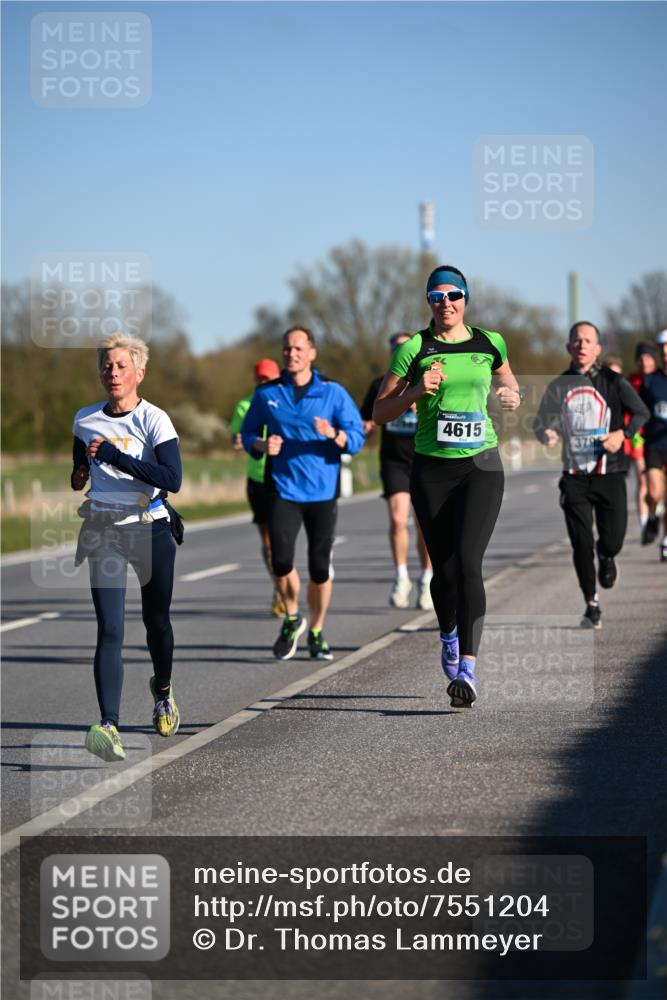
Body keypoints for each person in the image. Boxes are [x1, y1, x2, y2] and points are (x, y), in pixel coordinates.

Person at [373, 266, 521, 707]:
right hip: (432, 470)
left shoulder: (489, 342)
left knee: (470, 563)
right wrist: (416, 391)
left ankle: (469, 669)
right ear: (428, 303)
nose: (446, 303)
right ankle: (449, 632)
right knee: (446, 568)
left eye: (454, 294)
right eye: (437, 297)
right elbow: (381, 412)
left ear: (466, 298)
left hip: (481, 465)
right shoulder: (414, 348)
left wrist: (513, 394)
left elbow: (507, 380)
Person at [71, 334, 183, 762]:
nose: (112, 373)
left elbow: (172, 479)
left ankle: (163, 691)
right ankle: (109, 725)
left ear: (139, 372)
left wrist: (117, 458)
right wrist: (80, 474)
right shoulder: (85, 419)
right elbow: (79, 467)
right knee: (110, 629)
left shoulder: (156, 420)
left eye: (120, 366)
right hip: (103, 531)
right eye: (106, 365)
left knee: (156, 622)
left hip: (149, 529)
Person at [241, 327, 365, 661]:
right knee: (280, 561)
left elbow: (357, 436)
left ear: (312, 353)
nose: (291, 354)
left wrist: (334, 434)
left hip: (323, 492)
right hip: (284, 489)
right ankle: (293, 616)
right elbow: (247, 431)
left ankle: (317, 631)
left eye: (298, 348)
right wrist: (262, 444)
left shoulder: (333, 393)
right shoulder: (268, 394)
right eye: (286, 349)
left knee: (319, 568)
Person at [533, 322, 649, 629]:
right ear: (569, 347)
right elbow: (540, 422)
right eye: (577, 340)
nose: (582, 345)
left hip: (610, 472)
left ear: (597, 348)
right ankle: (591, 603)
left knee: (612, 539)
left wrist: (622, 435)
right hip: (574, 476)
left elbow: (641, 413)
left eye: (588, 341)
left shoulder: (614, 381)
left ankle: (607, 555)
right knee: (580, 542)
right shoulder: (559, 385)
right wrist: (546, 433)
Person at [360, 332, 433, 610]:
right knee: (398, 518)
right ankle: (401, 576)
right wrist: (364, 427)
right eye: (396, 348)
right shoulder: (381, 384)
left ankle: (426, 579)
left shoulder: (427, 380)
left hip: (425, 458)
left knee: (425, 525)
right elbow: (368, 418)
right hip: (394, 461)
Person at [229, 358, 284, 616]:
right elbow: (236, 436)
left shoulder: (284, 400)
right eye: (260, 379)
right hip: (256, 478)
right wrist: (239, 441)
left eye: (269, 378)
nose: (264, 383)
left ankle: (286, 583)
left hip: (282, 478)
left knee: (282, 538)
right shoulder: (244, 405)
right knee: (268, 542)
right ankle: (278, 588)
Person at [626, 342, 659, 543]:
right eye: (640, 358)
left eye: (647, 357)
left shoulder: (659, 379)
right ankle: (645, 523)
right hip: (639, 436)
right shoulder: (631, 381)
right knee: (643, 480)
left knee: (658, 486)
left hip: (659, 438)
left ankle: (655, 516)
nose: (644, 361)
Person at [639, 330, 667, 561]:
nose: (666, 352)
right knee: (655, 492)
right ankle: (652, 514)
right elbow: (640, 410)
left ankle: (666, 540)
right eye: (663, 348)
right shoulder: (651, 381)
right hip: (655, 445)